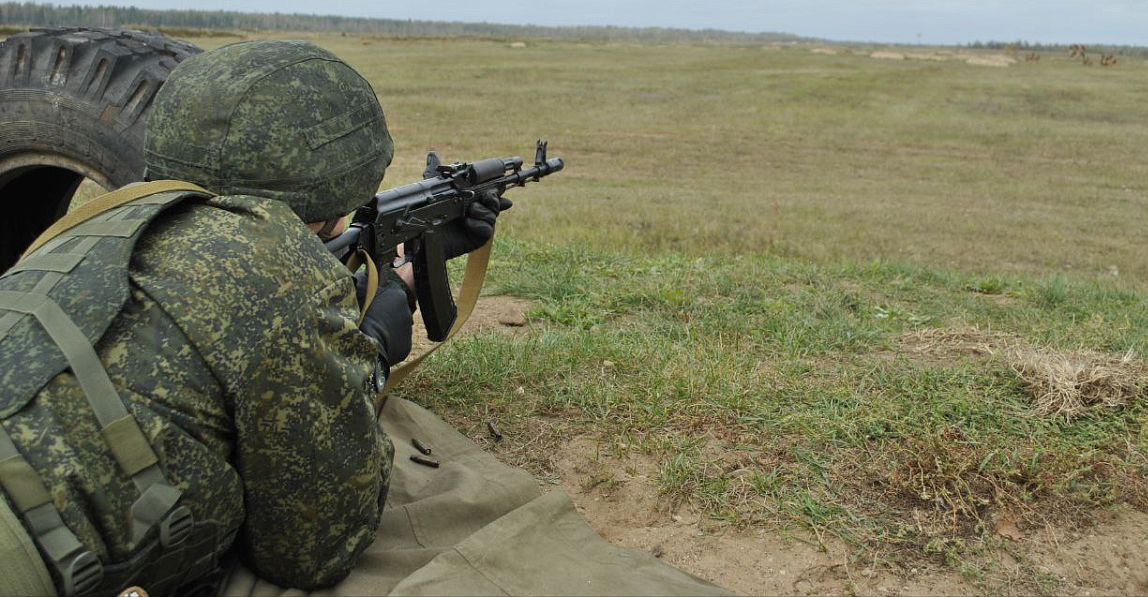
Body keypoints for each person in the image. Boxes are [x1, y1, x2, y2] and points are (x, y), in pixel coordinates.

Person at [0, 39, 726, 597]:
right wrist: (375, 341)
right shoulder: (274, 269)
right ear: (339, 182)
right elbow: (316, 549)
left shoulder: (85, 228)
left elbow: (201, 325)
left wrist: (394, 276)